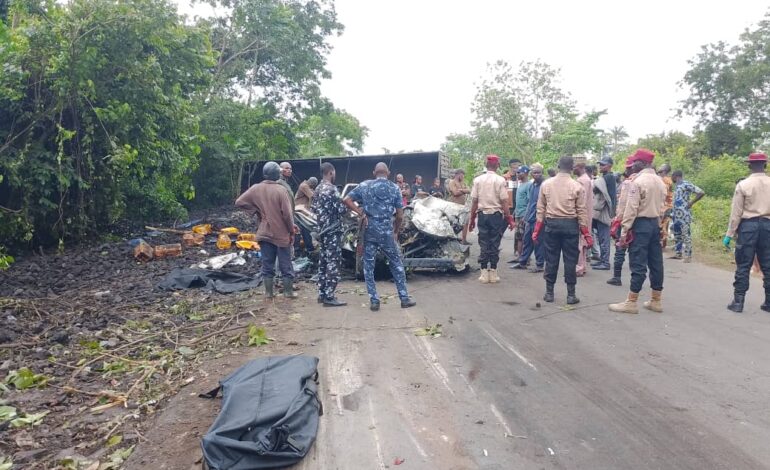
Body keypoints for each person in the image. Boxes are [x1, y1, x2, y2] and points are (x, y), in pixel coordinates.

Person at [343, 163, 416, 312]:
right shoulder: (394, 188)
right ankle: (404, 298)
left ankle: (374, 300)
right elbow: (400, 215)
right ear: (388, 173)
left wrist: (360, 213)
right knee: (396, 263)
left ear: (374, 172)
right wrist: (395, 231)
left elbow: (346, 199)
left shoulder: (365, 185)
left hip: (369, 231)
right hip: (387, 232)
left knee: (368, 266)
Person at [609, 149, 667, 314]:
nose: (632, 164)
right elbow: (662, 208)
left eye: (635, 161)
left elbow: (631, 209)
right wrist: (660, 227)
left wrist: (624, 232)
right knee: (656, 263)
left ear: (643, 163)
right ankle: (656, 300)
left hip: (640, 225)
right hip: (654, 224)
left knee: (638, 262)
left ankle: (631, 302)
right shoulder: (660, 181)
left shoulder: (638, 182)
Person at [534, 156, 592, 304]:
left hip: (552, 225)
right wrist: (586, 233)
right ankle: (571, 295)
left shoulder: (546, 184)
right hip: (570, 226)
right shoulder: (576, 186)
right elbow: (581, 211)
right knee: (570, 261)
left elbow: (540, 209)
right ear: (572, 168)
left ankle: (549, 293)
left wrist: (536, 230)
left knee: (551, 259)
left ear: (558, 166)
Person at [235, 161, 297, 299]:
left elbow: (239, 202)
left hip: (264, 233)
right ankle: (288, 292)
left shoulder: (256, 188)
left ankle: (269, 293)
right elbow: (287, 215)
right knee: (285, 264)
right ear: (277, 174)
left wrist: (256, 211)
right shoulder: (281, 190)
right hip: (281, 234)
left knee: (267, 264)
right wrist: (291, 230)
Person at [723, 153, 770, 313]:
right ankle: (769, 302)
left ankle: (738, 302)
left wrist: (729, 234)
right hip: (768, 227)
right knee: (768, 265)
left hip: (748, 226)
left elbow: (736, 213)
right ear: (765, 165)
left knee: (743, 264)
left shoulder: (744, 184)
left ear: (749, 165)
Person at [469, 155, 515, 284]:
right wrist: (509, 218)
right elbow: (504, 202)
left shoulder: (477, 180)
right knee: (495, 242)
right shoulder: (500, 180)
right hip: (496, 215)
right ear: (497, 165)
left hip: (482, 215)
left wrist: (472, 219)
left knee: (483, 242)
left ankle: (484, 273)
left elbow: (474, 201)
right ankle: (493, 272)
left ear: (486, 164)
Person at [310, 163, 348, 307]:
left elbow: (313, 209)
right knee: (333, 263)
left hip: (322, 231)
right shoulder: (332, 189)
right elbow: (341, 209)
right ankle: (330, 296)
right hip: (332, 231)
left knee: (323, 262)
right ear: (331, 172)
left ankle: (322, 294)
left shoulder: (318, 189)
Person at [607, 156, 640, 286]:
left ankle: (617, 277)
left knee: (620, 248)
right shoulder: (648, 181)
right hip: (641, 222)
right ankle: (636, 281)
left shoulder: (628, 183)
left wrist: (617, 222)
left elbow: (623, 207)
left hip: (627, 220)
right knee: (636, 252)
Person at [511, 163, 545, 272]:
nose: (536, 175)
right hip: (529, 218)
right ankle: (523, 262)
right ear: (531, 174)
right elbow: (530, 202)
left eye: (538, 173)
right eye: (534, 173)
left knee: (538, 242)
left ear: (542, 173)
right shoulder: (532, 186)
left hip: (539, 219)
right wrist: (525, 217)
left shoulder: (544, 186)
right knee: (527, 241)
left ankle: (539, 265)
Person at [670, 170, 705, 263]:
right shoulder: (677, 186)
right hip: (676, 215)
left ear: (676, 176)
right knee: (677, 234)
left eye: (672, 176)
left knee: (686, 234)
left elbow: (701, 192)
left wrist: (691, 202)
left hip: (684, 215)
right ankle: (678, 253)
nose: (671, 178)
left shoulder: (686, 184)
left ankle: (688, 256)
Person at [591, 158, 615, 271]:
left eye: (603, 165)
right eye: (600, 165)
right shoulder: (605, 177)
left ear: (609, 165)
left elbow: (605, 195)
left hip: (604, 211)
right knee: (601, 237)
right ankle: (602, 259)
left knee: (604, 237)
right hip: (602, 210)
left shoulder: (608, 177)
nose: (601, 167)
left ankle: (605, 262)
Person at [573, 155, 593, 277]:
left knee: (580, 241)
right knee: (583, 241)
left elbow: (581, 201)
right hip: (586, 213)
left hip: (582, 214)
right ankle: (582, 266)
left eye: (574, 167)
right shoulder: (586, 179)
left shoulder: (582, 181)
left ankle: (579, 267)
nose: (572, 169)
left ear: (580, 167)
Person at [447, 169, 472, 245]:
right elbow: (455, 193)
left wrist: (461, 190)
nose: (463, 177)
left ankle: (464, 240)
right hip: (454, 206)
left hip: (462, 206)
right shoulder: (452, 182)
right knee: (453, 223)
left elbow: (469, 190)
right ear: (458, 174)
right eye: (462, 175)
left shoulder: (462, 183)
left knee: (465, 222)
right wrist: (464, 191)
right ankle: (452, 239)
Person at [293, 177, 317, 254]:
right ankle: (297, 249)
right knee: (298, 230)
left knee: (306, 230)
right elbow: (312, 196)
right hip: (299, 212)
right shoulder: (304, 186)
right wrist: (311, 208)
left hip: (302, 212)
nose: (313, 188)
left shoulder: (306, 186)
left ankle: (308, 248)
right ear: (312, 184)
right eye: (313, 186)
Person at [513, 166, 531, 260]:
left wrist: (526, 216)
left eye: (519, 172)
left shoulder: (528, 185)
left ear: (525, 173)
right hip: (518, 214)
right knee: (518, 236)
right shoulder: (521, 185)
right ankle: (520, 257)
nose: (518, 174)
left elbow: (529, 201)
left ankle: (523, 258)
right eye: (517, 172)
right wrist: (515, 211)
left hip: (524, 215)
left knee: (522, 237)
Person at [657, 163, 674, 249]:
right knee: (663, 224)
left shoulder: (666, 180)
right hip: (664, 205)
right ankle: (662, 243)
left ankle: (661, 244)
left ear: (664, 169)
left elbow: (664, 193)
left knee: (662, 225)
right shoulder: (663, 178)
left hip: (665, 205)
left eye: (661, 166)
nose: (659, 167)